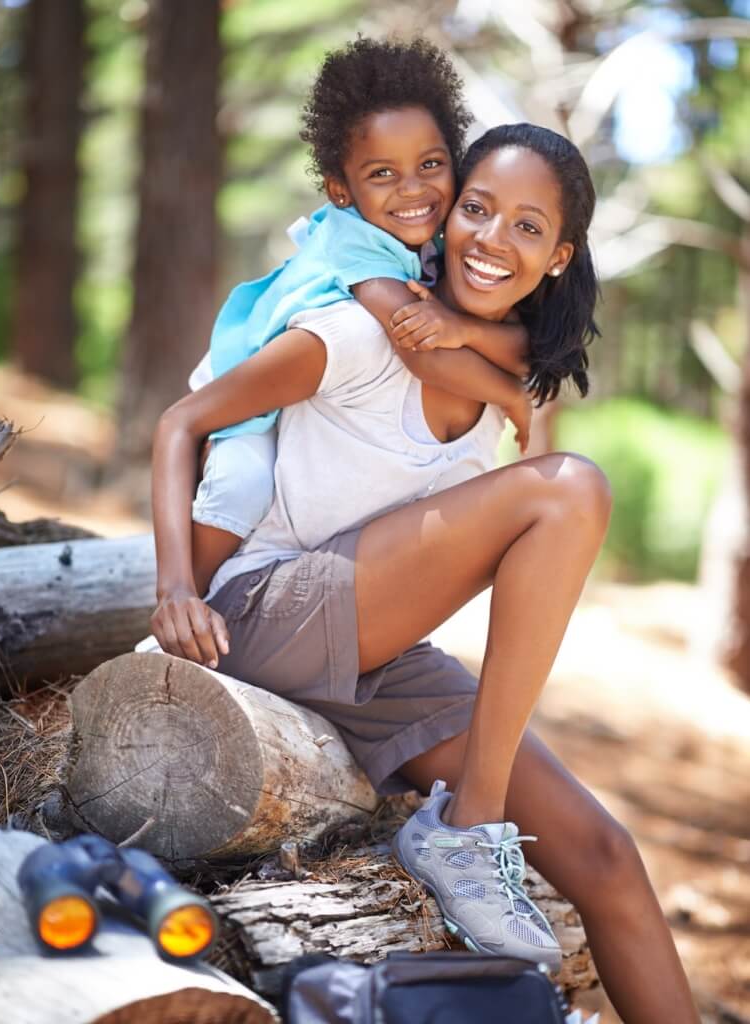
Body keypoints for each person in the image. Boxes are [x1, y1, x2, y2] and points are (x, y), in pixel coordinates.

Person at [151, 123, 700, 1022]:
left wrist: (505, 384)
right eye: (477, 209)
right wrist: (176, 588)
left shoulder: (501, 378)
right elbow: (183, 419)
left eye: (527, 227)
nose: (492, 239)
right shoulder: (356, 333)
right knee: (569, 491)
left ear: (558, 257)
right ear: (444, 218)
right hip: (259, 615)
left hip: (373, 652)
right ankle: (468, 827)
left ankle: (474, 829)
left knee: (603, 855)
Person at [188, 37, 532, 597]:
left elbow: (519, 346)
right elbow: (421, 352)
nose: (414, 188)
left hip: (307, 392)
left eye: (430, 165)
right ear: (340, 190)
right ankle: (192, 602)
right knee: (243, 488)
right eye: (383, 174)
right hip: (243, 383)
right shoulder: (356, 245)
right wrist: (510, 395)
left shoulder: (435, 229)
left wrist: (467, 330)